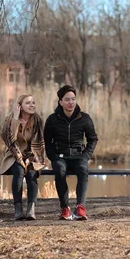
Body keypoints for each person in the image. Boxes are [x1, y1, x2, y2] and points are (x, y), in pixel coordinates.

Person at [44, 85, 98, 220]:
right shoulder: (52, 119)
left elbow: (93, 139)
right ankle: (65, 208)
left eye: (73, 99)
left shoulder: (84, 118)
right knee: (59, 170)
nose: (71, 102)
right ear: (60, 102)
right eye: (67, 99)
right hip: (60, 156)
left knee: (82, 169)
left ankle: (80, 208)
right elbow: (47, 142)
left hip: (79, 156)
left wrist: (85, 155)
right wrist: (53, 157)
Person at [0, 94, 46, 220]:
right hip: (14, 154)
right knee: (19, 171)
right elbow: (9, 140)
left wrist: (32, 159)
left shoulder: (37, 120)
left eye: (33, 102)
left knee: (31, 173)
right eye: (28, 103)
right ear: (20, 106)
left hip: (32, 155)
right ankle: (18, 209)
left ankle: (31, 209)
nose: (32, 105)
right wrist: (15, 119)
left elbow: (39, 143)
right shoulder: (9, 120)